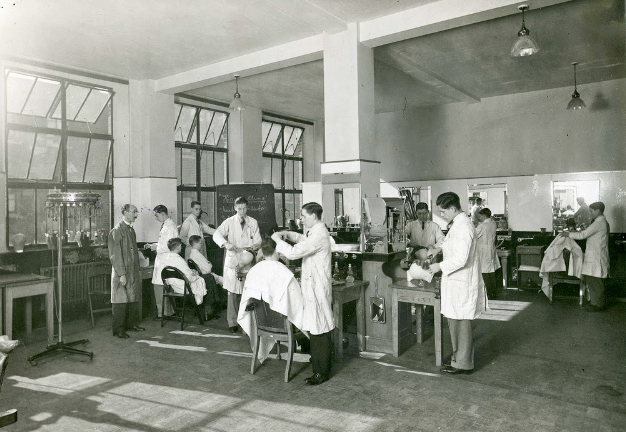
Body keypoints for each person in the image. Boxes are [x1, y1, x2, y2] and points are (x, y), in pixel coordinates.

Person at [272, 202, 333, 386]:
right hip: (312, 286)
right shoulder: (314, 232)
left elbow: (292, 253)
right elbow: (302, 239)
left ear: (313, 216)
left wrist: (277, 240)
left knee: (319, 328)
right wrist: (288, 234)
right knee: (316, 326)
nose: (301, 219)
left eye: (304, 216)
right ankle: (319, 363)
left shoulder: (320, 235)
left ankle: (321, 372)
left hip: (317, 288)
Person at [427, 192, 487, 375]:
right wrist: (437, 249)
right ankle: (458, 360)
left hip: (461, 283)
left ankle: (463, 363)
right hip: (455, 282)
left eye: (443, 211)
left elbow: (461, 259)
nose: (442, 215)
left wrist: (438, 266)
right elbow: (449, 244)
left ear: (453, 209)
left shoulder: (465, 227)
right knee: (455, 321)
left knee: (461, 323)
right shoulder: (457, 224)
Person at [237, 237, 306, 362]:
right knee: (307, 314)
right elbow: (297, 303)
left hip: (262, 325)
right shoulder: (285, 273)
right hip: (282, 325)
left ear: (262, 252)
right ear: (277, 251)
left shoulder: (253, 272)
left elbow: (246, 302)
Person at [213, 196, 262, 333]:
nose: (242, 211)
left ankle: (247, 322)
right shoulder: (229, 222)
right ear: (235, 208)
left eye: (244, 208)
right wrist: (225, 243)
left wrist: (252, 248)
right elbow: (216, 234)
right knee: (232, 293)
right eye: (239, 208)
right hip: (233, 259)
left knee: (247, 292)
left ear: (247, 208)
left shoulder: (252, 222)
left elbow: (258, 240)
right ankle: (232, 322)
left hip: (248, 258)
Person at [561, 201, 609, 312]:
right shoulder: (600, 221)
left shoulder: (599, 222)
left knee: (595, 280)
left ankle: (598, 305)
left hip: (596, 256)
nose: (590, 213)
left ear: (598, 211)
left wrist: (568, 234)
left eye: (592, 211)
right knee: (592, 278)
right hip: (596, 255)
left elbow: (583, 235)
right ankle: (595, 302)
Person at [108, 204, 145, 338]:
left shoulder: (130, 230)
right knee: (120, 300)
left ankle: (131, 324)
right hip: (122, 271)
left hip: (132, 270)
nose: (136, 214)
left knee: (132, 296)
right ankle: (118, 329)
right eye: (134, 212)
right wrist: (122, 274)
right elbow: (115, 254)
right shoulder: (117, 230)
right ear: (126, 212)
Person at [159, 237, 212, 315]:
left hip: (173, 287)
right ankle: (207, 309)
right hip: (183, 287)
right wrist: (195, 274)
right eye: (180, 245)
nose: (181, 247)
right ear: (177, 247)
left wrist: (191, 272)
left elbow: (180, 272)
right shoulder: (179, 260)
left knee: (207, 278)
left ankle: (207, 308)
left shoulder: (166, 259)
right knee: (208, 278)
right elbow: (190, 278)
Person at [145, 205, 177, 318]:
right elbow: (165, 243)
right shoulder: (165, 226)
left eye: (156, 215)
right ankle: (165, 312)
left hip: (166, 260)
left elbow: (173, 246)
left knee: (160, 286)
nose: (155, 217)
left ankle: (164, 313)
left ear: (163, 214)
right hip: (162, 259)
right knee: (159, 286)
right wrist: (154, 245)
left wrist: (156, 248)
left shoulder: (171, 227)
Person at [188, 234, 224, 320]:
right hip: (206, 276)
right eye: (200, 243)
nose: (201, 245)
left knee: (222, 280)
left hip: (202, 276)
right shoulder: (196, 254)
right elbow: (208, 268)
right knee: (225, 282)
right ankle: (219, 304)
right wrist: (209, 264)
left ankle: (219, 303)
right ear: (196, 243)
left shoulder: (192, 254)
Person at [475, 208, 501, 299]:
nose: (479, 218)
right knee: (491, 271)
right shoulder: (493, 224)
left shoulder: (482, 226)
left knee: (484, 272)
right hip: (491, 250)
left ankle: (488, 294)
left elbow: (474, 235)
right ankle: (493, 293)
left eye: (480, 216)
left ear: (484, 216)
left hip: (483, 251)